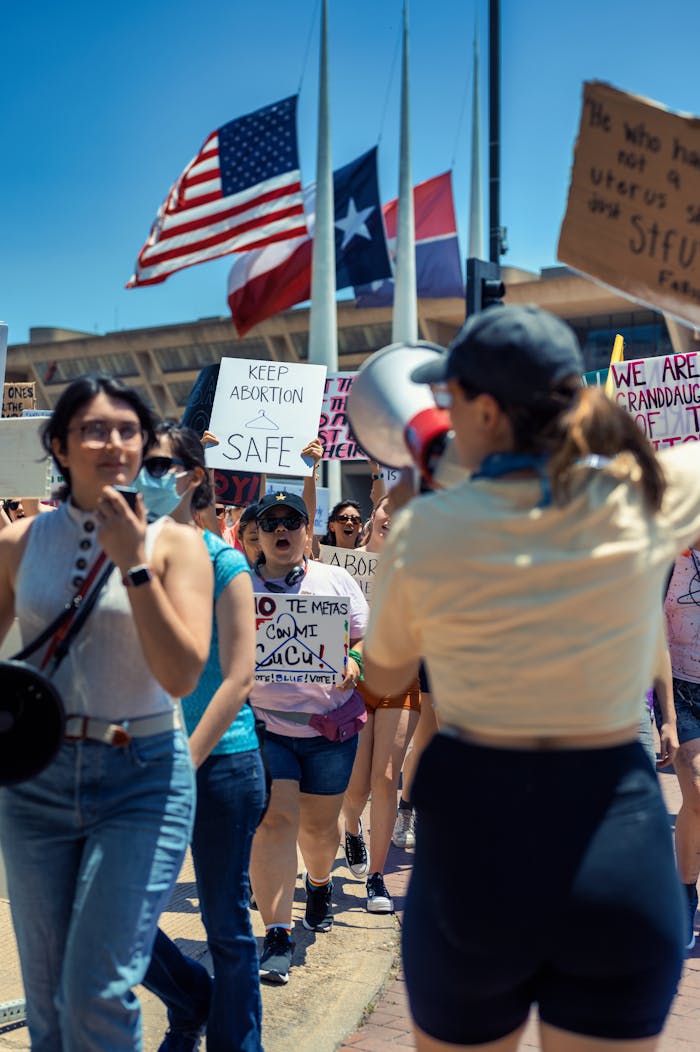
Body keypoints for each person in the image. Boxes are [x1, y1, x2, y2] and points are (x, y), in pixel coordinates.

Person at [363, 305, 700, 1052]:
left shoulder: (428, 529)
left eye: (448, 397)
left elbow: (384, 676)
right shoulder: (640, 495)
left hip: (479, 849)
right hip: (619, 845)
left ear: (484, 410)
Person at [0, 375, 213, 1051]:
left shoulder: (179, 547)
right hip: (36, 780)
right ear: (59, 446)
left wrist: (134, 567)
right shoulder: (19, 543)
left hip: (141, 778)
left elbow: (180, 673)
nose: (114, 442)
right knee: (50, 1007)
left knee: (97, 990)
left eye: (128, 430)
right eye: (94, 429)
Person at [136, 423, 263, 1052]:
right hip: (143, 760)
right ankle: (191, 1000)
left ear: (190, 479)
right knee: (121, 917)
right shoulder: (128, 559)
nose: (140, 477)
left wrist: (185, 760)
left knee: (226, 924)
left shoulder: (224, 560)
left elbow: (239, 677)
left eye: (156, 465)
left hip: (221, 767)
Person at [248, 492, 368, 985]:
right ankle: (277, 931)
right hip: (264, 728)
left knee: (318, 832)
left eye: (291, 520)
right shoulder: (241, 585)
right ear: (257, 531)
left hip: (327, 729)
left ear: (304, 529)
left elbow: (364, 635)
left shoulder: (334, 579)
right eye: (270, 521)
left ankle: (319, 884)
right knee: (274, 823)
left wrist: (355, 663)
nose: (281, 528)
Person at [342, 493, 420, 912]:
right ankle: (351, 827)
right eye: (389, 508)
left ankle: (376, 877)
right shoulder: (342, 562)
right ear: (376, 513)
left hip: (401, 680)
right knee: (355, 790)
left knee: (386, 779)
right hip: (354, 683)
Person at [660, 546, 700, 951]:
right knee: (698, 793)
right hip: (682, 691)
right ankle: (685, 894)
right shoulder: (671, 556)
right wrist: (667, 717)